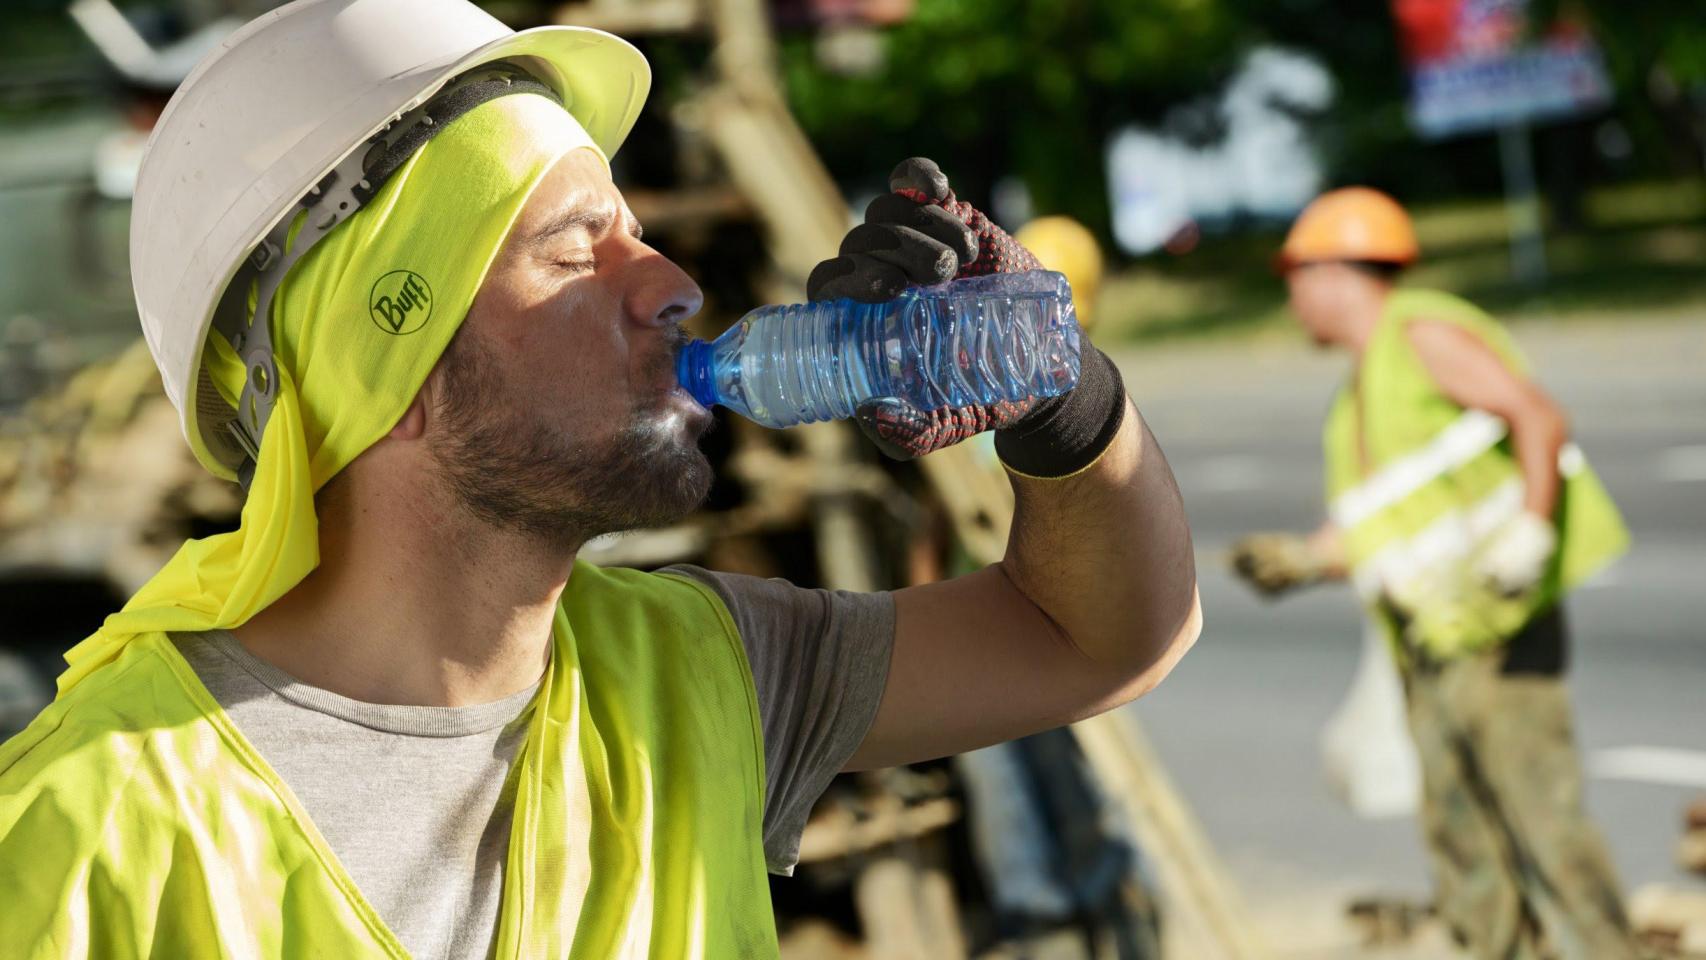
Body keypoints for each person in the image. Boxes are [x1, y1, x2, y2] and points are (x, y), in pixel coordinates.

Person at [0, 0, 1200, 956]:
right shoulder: (93, 828)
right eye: (577, 246)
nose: (673, 279)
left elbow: (1097, 639)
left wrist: (1063, 403)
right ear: (389, 364)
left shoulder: (696, 673)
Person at [1231, 186, 1638, 959]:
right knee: (1463, 840)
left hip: (1500, 628)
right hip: (1436, 640)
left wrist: (1531, 530)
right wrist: (1307, 557)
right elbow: (1391, 520)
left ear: (1335, 273)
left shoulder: (1419, 333)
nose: (1291, 297)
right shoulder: (1357, 395)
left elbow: (1538, 415)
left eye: (1296, 275)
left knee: (1544, 829)